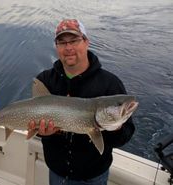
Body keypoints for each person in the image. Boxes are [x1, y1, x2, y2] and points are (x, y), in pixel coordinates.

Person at [28, 19, 135, 185]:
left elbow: (125, 136)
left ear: (86, 42)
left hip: (93, 177)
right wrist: (42, 132)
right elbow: (34, 123)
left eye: (74, 40)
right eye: (62, 42)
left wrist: (116, 126)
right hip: (56, 173)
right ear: (56, 47)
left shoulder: (110, 84)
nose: (68, 48)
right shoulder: (45, 81)